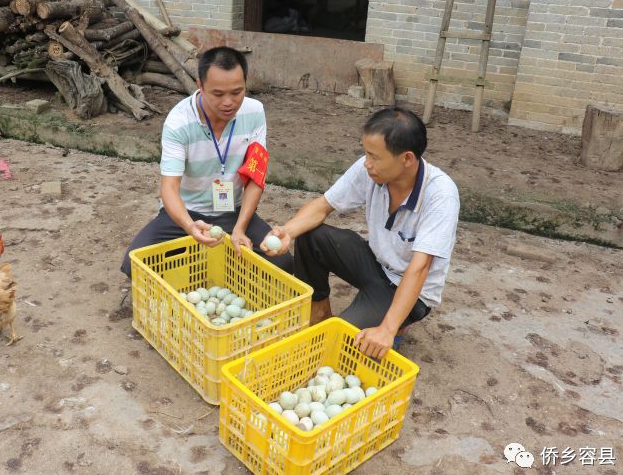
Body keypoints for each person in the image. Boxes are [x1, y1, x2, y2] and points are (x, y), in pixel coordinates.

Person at [261, 108, 460, 358]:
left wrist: (386, 329)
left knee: (337, 346)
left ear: (407, 159)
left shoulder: (441, 195)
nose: (367, 163)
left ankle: (396, 324)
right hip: (375, 264)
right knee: (311, 235)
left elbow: (420, 267)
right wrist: (287, 232)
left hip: (408, 288)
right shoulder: (370, 170)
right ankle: (319, 310)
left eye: (374, 157)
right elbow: (323, 206)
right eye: (366, 153)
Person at [121, 46, 293, 276]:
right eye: (218, 94)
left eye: (237, 92)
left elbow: (255, 176)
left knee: (283, 264)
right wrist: (190, 227)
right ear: (200, 86)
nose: (229, 102)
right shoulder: (178, 122)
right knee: (135, 264)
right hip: (188, 212)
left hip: (234, 210)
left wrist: (240, 228)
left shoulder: (255, 112)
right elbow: (169, 188)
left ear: (245, 84)